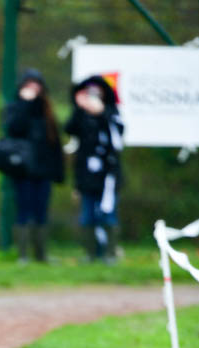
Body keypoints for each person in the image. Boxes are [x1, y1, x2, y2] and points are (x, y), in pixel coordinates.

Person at [4, 68, 64, 264]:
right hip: (23, 170)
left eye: (36, 84)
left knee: (41, 211)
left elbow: (55, 142)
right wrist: (25, 103)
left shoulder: (47, 110)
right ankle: (23, 255)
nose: (33, 88)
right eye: (29, 84)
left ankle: (41, 254)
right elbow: (14, 128)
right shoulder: (15, 107)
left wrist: (58, 172)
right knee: (23, 210)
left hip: (43, 170)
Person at [64, 75, 124, 264]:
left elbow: (118, 138)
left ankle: (110, 253)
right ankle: (91, 254)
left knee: (108, 214)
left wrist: (102, 113)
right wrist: (79, 107)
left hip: (108, 176)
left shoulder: (112, 113)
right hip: (86, 175)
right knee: (87, 215)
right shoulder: (81, 116)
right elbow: (69, 128)